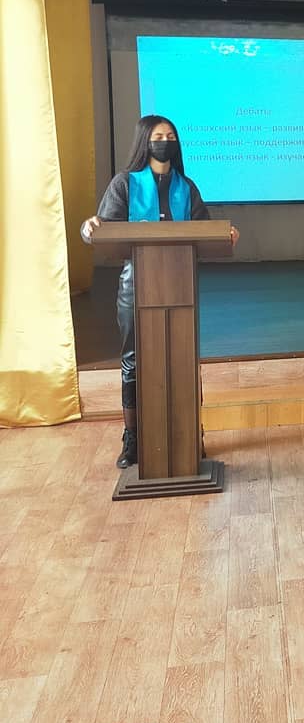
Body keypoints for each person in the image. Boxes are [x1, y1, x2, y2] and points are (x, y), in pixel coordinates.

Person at [81, 115, 238, 470]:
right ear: (144, 141)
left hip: (180, 285)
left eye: (170, 136)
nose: (165, 142)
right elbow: (100, 228)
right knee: (134, 361)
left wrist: (226, 235)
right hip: (135, 286)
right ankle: (133, 437)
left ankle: (190, 435)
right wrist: (89, 226)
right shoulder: (125, 184)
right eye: (158, 136)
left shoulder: (187, 187)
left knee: (184, 358)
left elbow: (205, 230)